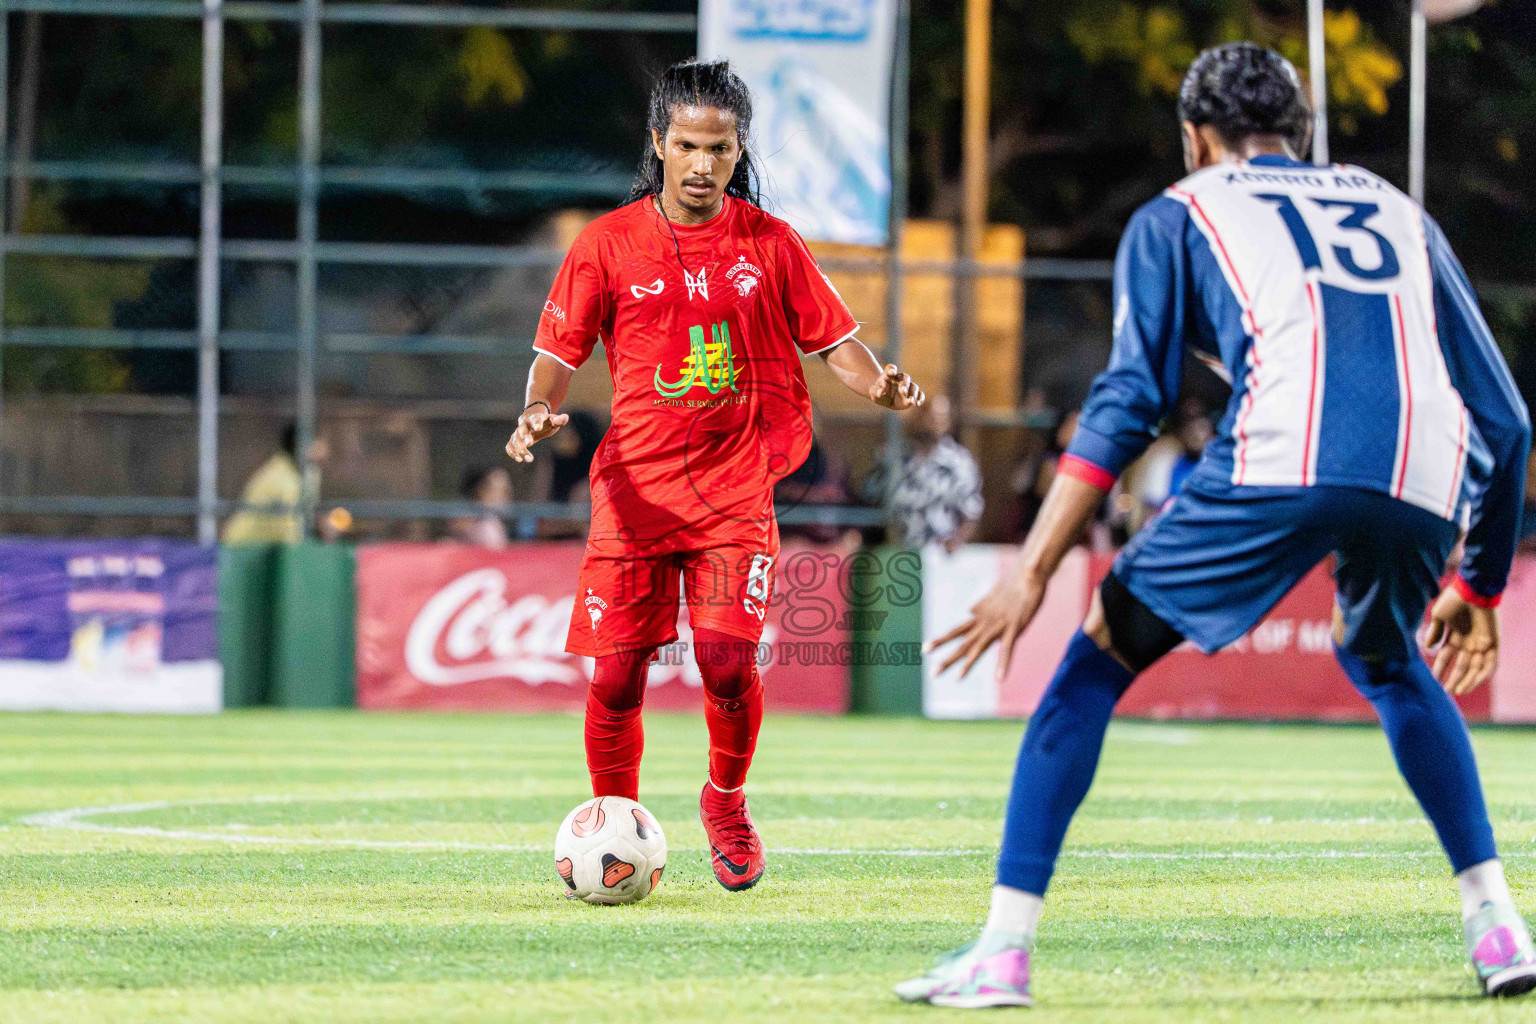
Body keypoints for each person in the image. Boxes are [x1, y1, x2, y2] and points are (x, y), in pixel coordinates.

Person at [899, 43, 1535, 1007]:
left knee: (1090, 667)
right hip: (1426, 469)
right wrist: (1479, 585)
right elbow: (1510, 420)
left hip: (1281, 456)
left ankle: (1000, 951)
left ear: (1196, 138)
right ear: (1302, 134)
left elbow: (1126, 403)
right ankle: (1498, 927)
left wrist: (1032, 567)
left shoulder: (1179, 212)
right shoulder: (1397, 206)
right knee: (1388, 660)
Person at [504, 59, 925, 892]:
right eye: (688, 145)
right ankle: (614, 823)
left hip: (733, 492)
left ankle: (724, 800)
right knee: (618, 673)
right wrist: (536, 410)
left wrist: (876, 381)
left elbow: (833, 340)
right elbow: (556, 352)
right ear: (659, 144)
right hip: (634, 493)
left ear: (739, 152)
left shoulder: (770, 244)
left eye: (720, 149)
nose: (703, 164)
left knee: (729, 662)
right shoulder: (606, 243)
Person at [864, 394, 984, 553]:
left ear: (948, 422)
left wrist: (956, 541)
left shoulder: (959, 462)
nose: (933, 422)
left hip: (939, 556)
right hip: (898, 553)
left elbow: (972, 510)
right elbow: (870, 497)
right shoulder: (893, 457)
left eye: (940, 417)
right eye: (928, 415)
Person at [222, 421, 330, 545]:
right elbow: (291, 529)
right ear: (303, 445)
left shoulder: (305, 472)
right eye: (320, 442)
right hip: (244, 547)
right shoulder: (283, 478)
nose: (325, 449)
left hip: (264, 547)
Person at [448, 465, 513, 547]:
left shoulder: (499, 522)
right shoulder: (484, 527)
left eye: (506, 490)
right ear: (479, 491)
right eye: (497, 490)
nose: (505, 496)